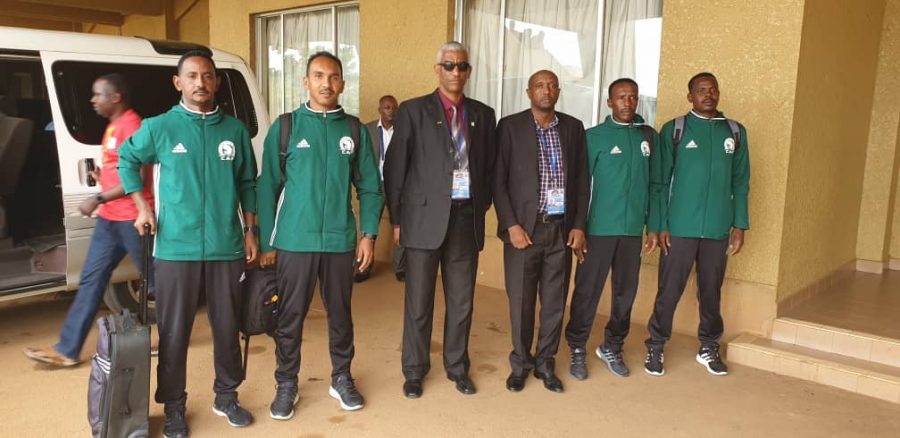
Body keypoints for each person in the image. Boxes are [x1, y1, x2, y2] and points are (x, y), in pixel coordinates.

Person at [117, 50, 259, 437]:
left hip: (226, 246)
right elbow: (126, 158)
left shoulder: (234, 131)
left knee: (227, 326)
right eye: (192, 76)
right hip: (175, 248)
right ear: (178, 82)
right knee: (174, 331)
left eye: (208, 76)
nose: (201, 82)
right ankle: (174, 405)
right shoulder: (160, 127)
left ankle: (226, 396)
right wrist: (141, 206)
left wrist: (250, 230)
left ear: (216, 82)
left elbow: (248, 182)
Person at [257, 51, 382, 419]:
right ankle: (286, 383)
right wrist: (267, 242)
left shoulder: (354, 131)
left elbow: (370, 188)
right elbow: (267, 186)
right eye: (318, 76)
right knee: (290, 314)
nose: (326, 83)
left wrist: (368, 234)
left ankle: (341, 377)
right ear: (306, 82)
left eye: (333, 77)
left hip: (339, 241)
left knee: (340, 314)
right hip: (295, 240)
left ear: (342, 84)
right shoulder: (286, 128)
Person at [383, 41, 496, 398]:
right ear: (437, 69)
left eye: (462, 66)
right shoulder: (413, 111)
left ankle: (457, 366)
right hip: (422, 220)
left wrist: (481, 205)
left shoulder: (483, 114)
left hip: (465, 219)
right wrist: (397, 221)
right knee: (419, 302)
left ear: (469, 71)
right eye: (449, 65)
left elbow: (489, 167)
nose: (455, 72)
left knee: (462, 302)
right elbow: (395, 169)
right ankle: (414, 370)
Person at [24, 73, 155, 367]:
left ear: (116, 97)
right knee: (91, 280)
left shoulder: (132, 126)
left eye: (98, 94)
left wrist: (97, 198)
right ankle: (67, 350)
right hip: (110, 220)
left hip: (133, 219)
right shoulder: (113, 126)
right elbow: (118, 169)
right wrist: (101, 177)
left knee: (157, 283)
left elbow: (138, 177)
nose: (93, 100)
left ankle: (172, 337)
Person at [645, 72, 750, 377]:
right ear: (690, 96)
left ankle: (708, 346)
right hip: (679, 228)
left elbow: (741, 182)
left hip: (717, 229)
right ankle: (656, 344)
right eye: (701, 90)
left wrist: (739, 225)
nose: (708, 94)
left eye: (713, 89)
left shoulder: (735, 132)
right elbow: (659, 183)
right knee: (669, 291)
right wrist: (659, 225)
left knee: (711, 291)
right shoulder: (675, 130)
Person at [493, 70, 589, 393]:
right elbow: (498, 180)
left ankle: (545, 363)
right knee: (521, 303)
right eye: (539, 86)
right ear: (528, 92)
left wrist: (578, 225)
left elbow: (582, 180)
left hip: (560, 230)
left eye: (551, 86)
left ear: (558, 91)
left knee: (554, 302)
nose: (546, 91)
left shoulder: (573, 128)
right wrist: (511, 224)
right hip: (524, 231)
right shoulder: (510, 127)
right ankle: (521, 363)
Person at [564, 78, 658, 380]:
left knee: (624, 295)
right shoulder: (594, 137)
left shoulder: (648, 136)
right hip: (598, 230)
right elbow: (579, 187)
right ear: (609, 102)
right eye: (621, 97)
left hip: (632, 232)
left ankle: (612, 346)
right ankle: (577, 346)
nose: (627, 103)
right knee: (587, 292)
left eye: (632, 97)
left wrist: (654, 227)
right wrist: (578, 228)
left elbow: (656, 185)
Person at [354, 94, 406, 283]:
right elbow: (360, 159)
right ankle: (364, 267)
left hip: (397, 186)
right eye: (387, 107)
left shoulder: (403, 130)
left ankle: (400, 268)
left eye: (394, 107)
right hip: (374, 185)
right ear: (379, 110)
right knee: (369, 227)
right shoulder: (367, 130)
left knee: (400, 226)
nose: (391, 111)